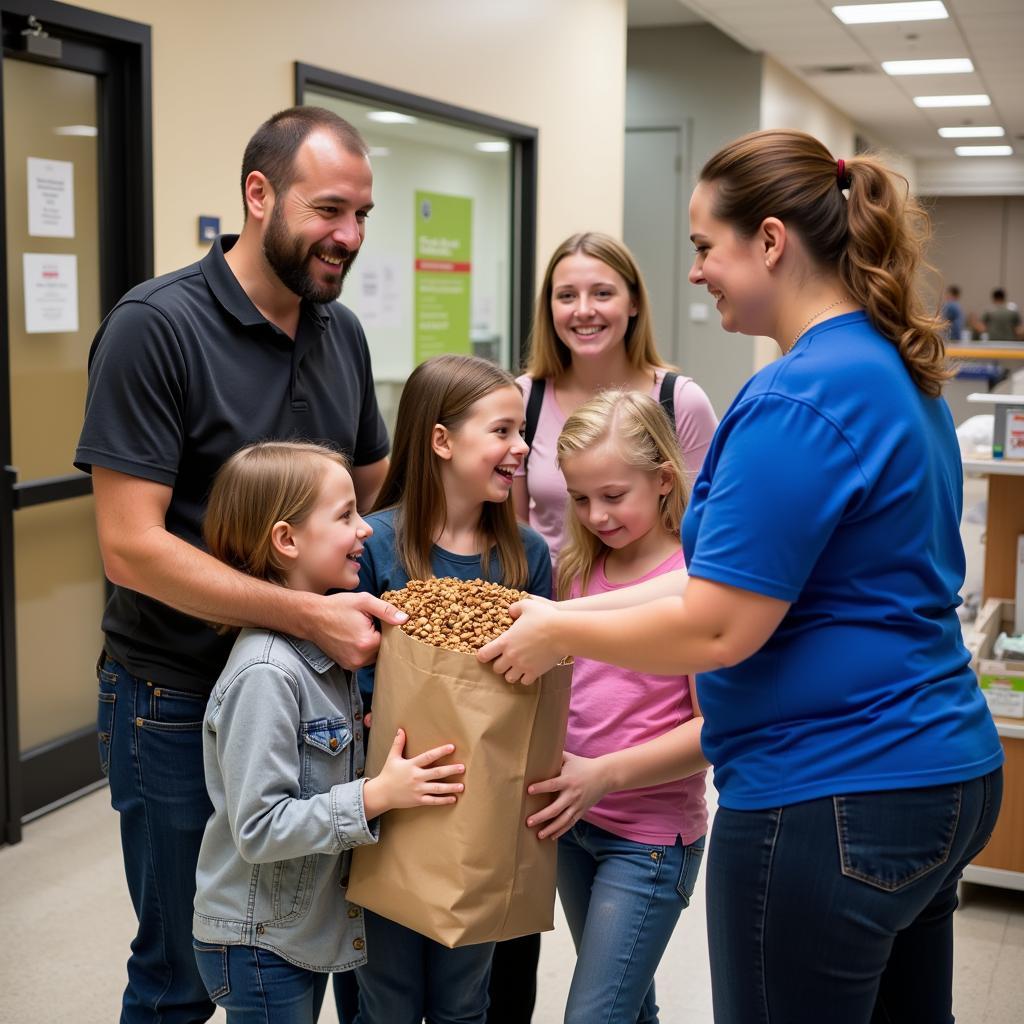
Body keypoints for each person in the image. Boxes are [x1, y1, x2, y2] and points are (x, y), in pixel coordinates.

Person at [478, 129, 1005, 1024]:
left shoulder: (798, 397)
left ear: (769, 241)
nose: (695, 273)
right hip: (939, 767)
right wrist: (553, 608)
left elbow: (720, 628)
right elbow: (721, 581)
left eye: (703, 248)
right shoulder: (889, 370)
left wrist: (560, 631)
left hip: (833, 791)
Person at [75, 107, 406, 1024]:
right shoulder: (158, 327)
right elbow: (131, 546)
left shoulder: (340, 333)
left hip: (318, 704)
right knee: (182, 975)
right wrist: (306, 616)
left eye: (363, 215)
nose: (350, 236)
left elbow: (370, 493)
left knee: (304, 946)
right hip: (176, 700)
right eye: (330, 209)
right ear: (258, 196)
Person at [191, 441, 465, 1023]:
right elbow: (260, 828)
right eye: (344, 516)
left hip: (299, 931)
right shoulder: (267, 673)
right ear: (287, 540)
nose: (366, 529)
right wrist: (377, 795)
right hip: (258, 941)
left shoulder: (324, 650)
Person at [353, 354, 552, 1024]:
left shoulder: (526, 556)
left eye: (522, 432)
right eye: (502, 431)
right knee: (388, 995)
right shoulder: (375, 548)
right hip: (389, 807)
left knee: (467, 997)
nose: (520, 448)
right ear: (441, 441)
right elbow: (350, 679)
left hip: (485, 810)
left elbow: (544, 682)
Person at [524, 390, 707, 1024]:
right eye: (579, 499)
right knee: (627, 1007)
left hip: (650, 840)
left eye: (613, 495)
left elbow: (716, 729)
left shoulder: (698, 583)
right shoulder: (575, 570)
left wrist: (603, 774)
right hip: (574, 825)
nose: (596, 515)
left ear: (662, 481)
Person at [513, 231, 717, 567]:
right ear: (549, 307)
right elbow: (514, 536)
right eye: (566, 296)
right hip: (550, 601)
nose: (583, 310)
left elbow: (707, 531)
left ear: (633, 302)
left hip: (648, 605)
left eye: (602, 293)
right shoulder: (522, 399)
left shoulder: (680, 401)